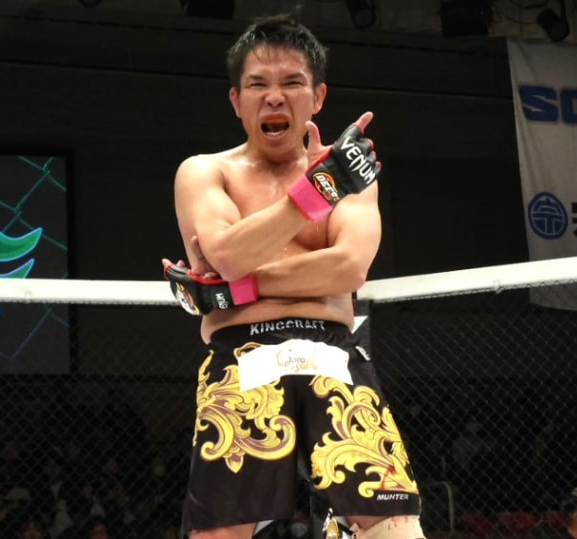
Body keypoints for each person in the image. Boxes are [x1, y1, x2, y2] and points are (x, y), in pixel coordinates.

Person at [161, 11, 424, 539]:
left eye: (292, 83)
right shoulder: (206, 171)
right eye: (258, 84)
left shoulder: (351, 174)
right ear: (236, 101)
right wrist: (316, 193)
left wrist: (240, 287)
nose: (274, 97)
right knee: (221, 532)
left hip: (333, 350)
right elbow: (227, 254)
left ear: (318, 97)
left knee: (393, 524)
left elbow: (349, 267)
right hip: (242, 352)